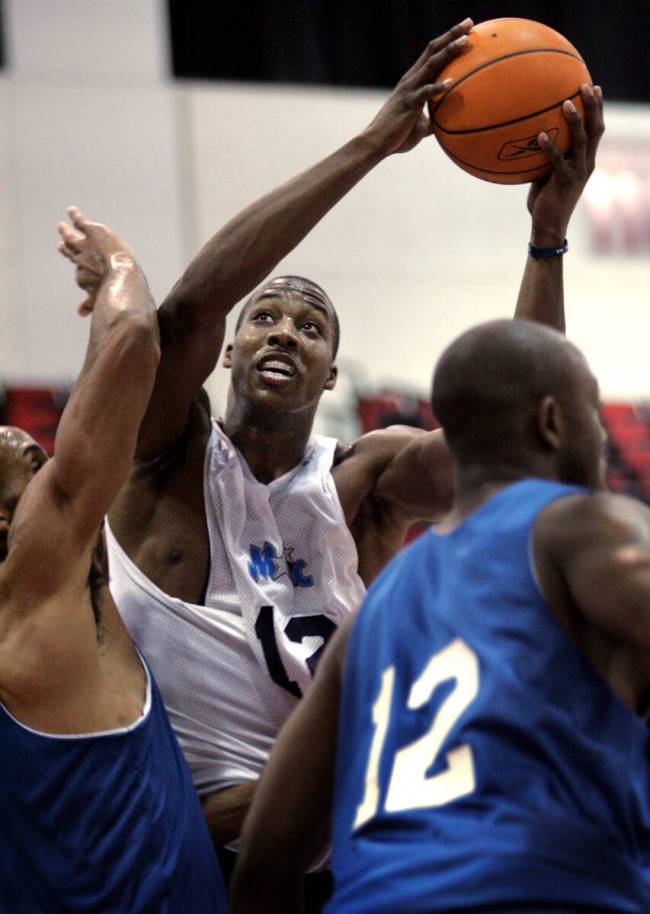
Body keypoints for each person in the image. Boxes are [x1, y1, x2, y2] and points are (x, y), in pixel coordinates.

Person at [59, 15, 603, 897]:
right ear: (230, 355)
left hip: (356, 846)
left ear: (333, 370)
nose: (284, 332)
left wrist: (547, 233)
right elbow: (188, 312)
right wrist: (372, 144)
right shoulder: (161, 453)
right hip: (188, 847)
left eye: (310, 327)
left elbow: (512, 450)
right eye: (265, 318)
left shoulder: (364, 479)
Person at [231, 318, 650, 914]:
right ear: (553, 422)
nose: (605, 441)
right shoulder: (585, 525)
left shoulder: (369, 616)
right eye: (594, 417)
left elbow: (266, 863)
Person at [0, 209, 227, 913]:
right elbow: (133, 336)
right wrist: (115, 269)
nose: (50, 465)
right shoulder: (32, 594)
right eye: (30, 469)